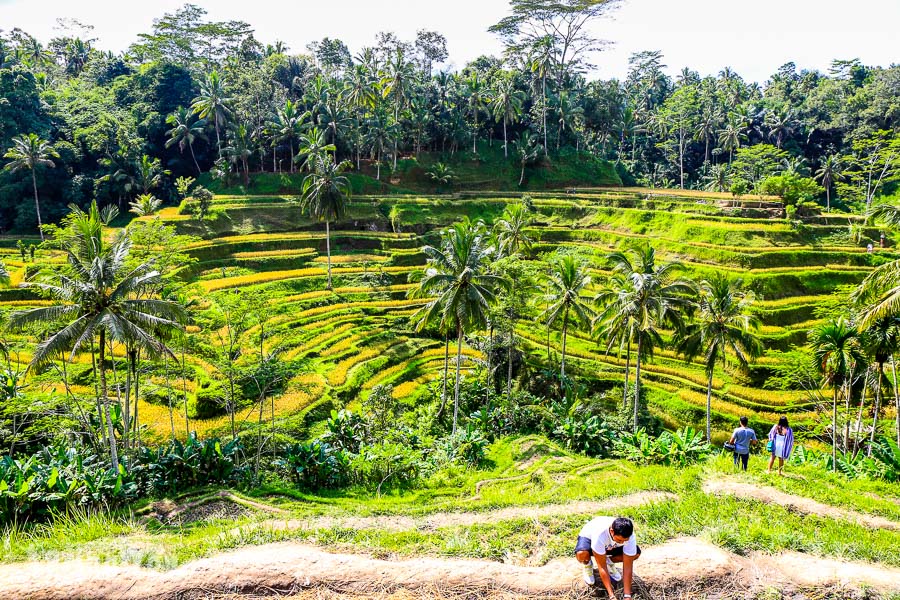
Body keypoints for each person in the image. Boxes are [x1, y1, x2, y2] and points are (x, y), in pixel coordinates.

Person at [575, 516, 640, 599]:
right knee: (582, 554)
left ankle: (609, 561)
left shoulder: (629, 536)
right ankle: (587, 564)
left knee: (635, 554)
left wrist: (627, 595)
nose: (623, 542)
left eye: (625, 540)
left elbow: (628, 566)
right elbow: (602, 566)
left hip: (610, 545)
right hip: (590, 539)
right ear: (612, 531)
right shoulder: (600, 534)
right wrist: (611, 595)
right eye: (620, 540)